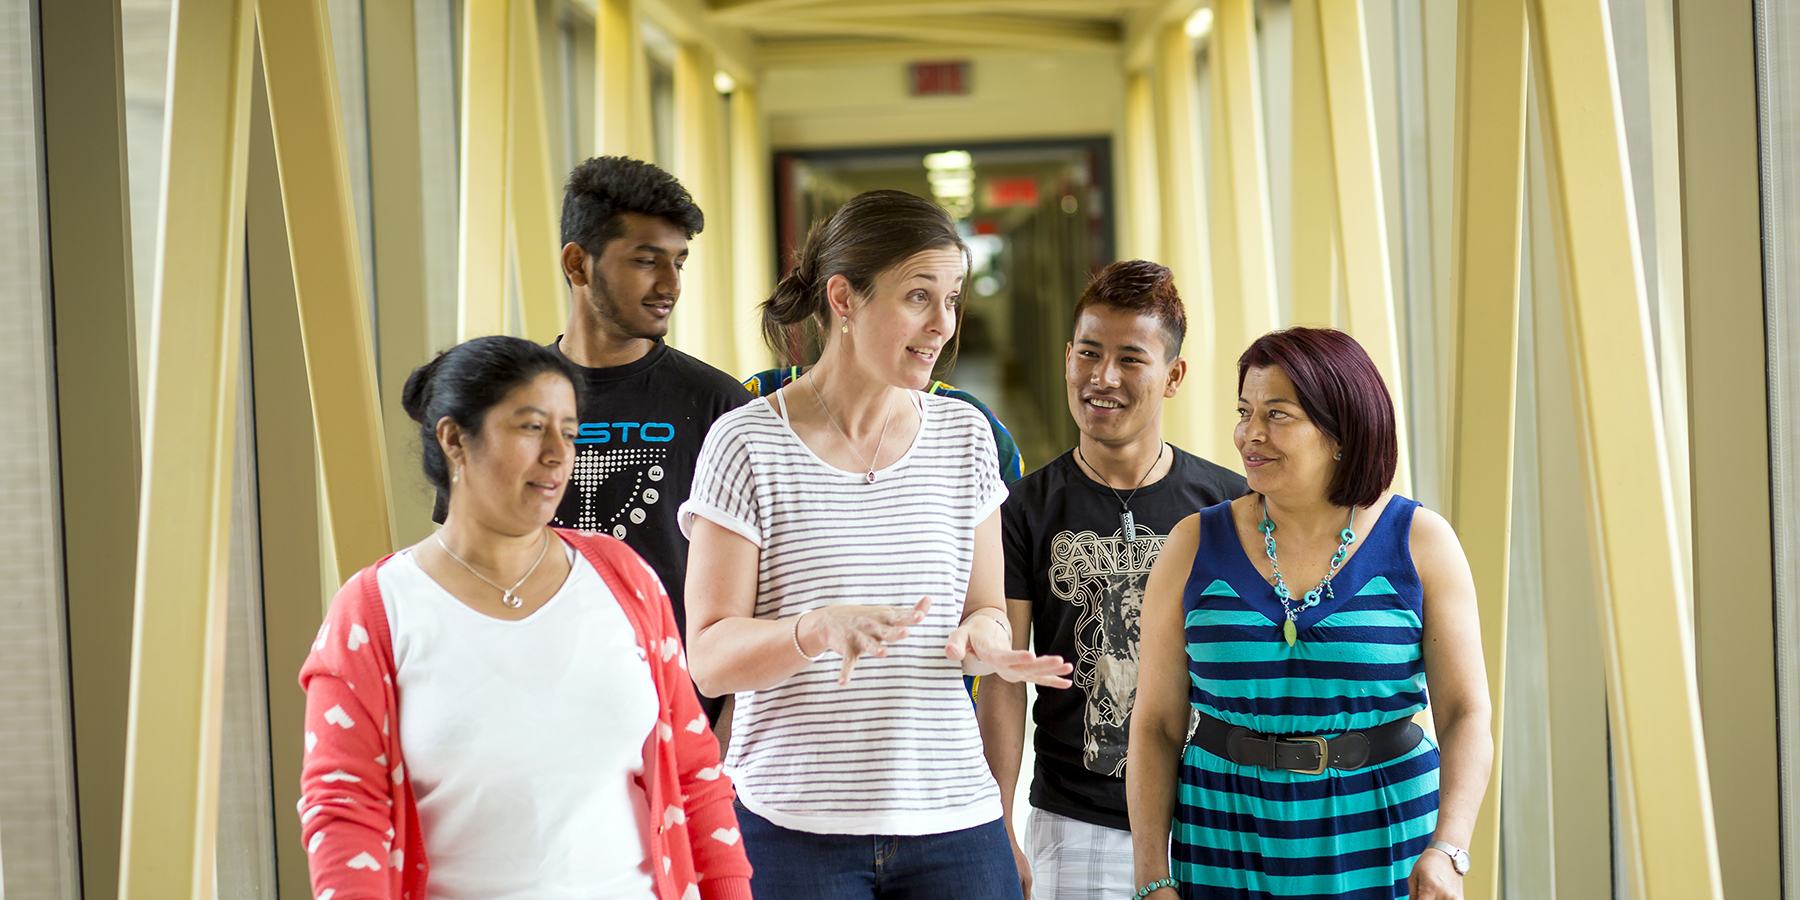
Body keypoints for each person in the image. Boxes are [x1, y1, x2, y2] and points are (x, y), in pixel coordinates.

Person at [679, 189, 1074, 900]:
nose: (942, 325)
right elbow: (708, 661)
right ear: (844, 298)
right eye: (918, 297)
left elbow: (985, 605)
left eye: (951, 299)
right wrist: (814, 630)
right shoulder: (746, 443)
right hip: (791, 824)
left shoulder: (964, 437)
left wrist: (985, 643)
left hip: (954, 812)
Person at [300, 335, 751, 900]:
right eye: (531, 428)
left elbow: (694, 779)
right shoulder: (374, 612)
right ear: (455, 440)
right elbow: (344, 808)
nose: (560, 455)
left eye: (568, 431)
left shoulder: (624, 580)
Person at [1125, 327, 1492, 900]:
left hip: (1383, 838)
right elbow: (1156, 726)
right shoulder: (1192, 544)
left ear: (1341, 430)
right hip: (1225, 839)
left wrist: (1448, 849)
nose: (1251, 434)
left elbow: (1465, 713)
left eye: (1278, 415)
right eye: (1245, 412)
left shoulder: (1420, 542)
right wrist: (1152, 876)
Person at [977, 260, 1247, 900]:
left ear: (1173, 375)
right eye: (1089, 354)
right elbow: (1004, 684)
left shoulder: (1228, 506)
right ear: (1067, 357)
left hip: (1213, 812)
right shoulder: (1022, 510)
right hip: (1076, 820)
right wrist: (997, 825)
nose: (1104, 378)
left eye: (1131, 359)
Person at [549, 156, 749, 724]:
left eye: (679, 262)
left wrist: (723, 747)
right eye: (646, 261)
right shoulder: (506, 402)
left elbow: (762, 593)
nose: (671, 285)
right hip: (543, 712)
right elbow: (469, 565)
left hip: (678, 722)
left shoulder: (721, 408)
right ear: (578, 264)